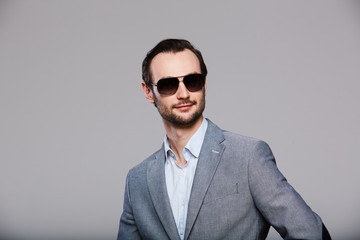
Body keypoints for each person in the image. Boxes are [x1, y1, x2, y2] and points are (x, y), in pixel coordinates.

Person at [117, 39, 331, 240]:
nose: (183, 93)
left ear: (205, 84)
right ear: (148, 91)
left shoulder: (248, 157)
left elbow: (310, 232)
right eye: (168, 85)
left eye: (193, 81)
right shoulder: (137, 180)